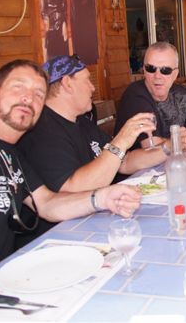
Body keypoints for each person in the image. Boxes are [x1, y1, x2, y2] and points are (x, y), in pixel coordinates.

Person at [0, 60, 141, 321]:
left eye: (38, 94)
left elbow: (46, 203)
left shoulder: (6, 151)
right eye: (18, 87)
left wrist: (101, 198)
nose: (29, 98)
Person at [18, 55, 164, 240]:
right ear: (67, 83)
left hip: (98, 219)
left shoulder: (81, 122)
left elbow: (124, 162)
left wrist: (170, 149)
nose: (93, 87)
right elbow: (73, 190)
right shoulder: (41, 131)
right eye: (87, 80)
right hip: (64, 236)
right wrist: (121, 141)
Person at [115, 42, 186, 148]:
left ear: (175, 74)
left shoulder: (179, 94)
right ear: (144, 70)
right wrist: (180, 141)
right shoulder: (135, 96)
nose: (157, 76)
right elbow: (151, 146)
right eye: (151, 68)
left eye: (165, 70)